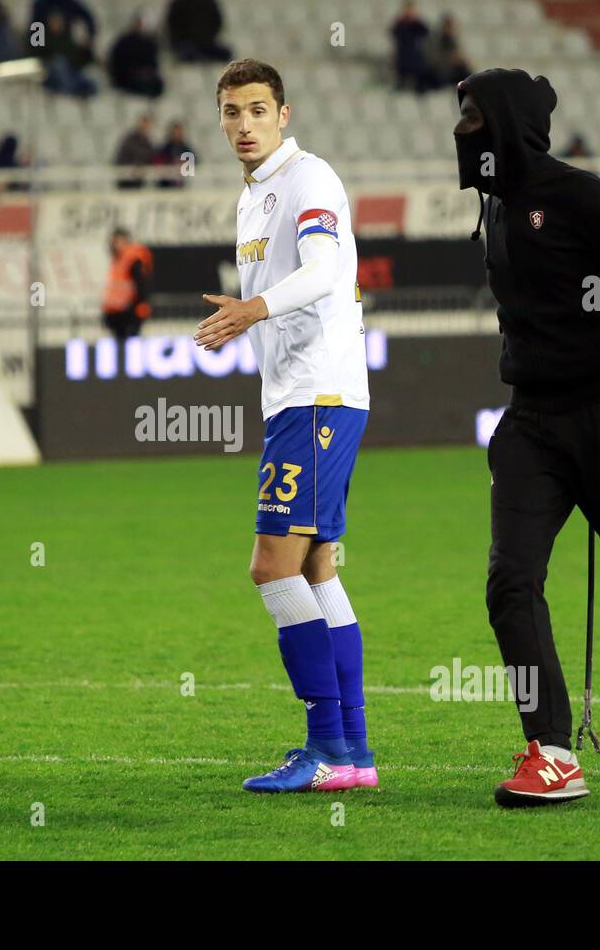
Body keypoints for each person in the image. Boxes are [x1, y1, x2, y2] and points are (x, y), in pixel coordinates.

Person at [453, 68, 600, 807]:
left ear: (508, 125)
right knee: (509, 582)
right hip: (531, 421)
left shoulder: (580, 196)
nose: (463, 132)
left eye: (472, 117)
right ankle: (551, 751)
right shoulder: (494, 211)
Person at [193, 59, 374, 794]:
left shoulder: (309, 181)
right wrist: (254, 313)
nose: (243, 125)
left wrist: (251, 310)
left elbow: (326, 269)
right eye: (232, 112)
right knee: (315, 565)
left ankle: (325, 744)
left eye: (257, 111)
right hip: (303, 398)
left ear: (284, 114)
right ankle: (353, 756)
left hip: (317, 397)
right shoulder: (255, 197)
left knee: (272, 565)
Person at [101, 228, 152, 339]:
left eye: (116, 241)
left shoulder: (133, 259)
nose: (113, 245)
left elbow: (141, 286)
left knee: (129, 344)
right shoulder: (119, 260)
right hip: (118, 313)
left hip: (128, 313)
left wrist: (138, 307)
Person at [108, 13, 163, 98]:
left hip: (145, 76)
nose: (139, 26)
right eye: (137, 24)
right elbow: (116, 62)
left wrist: (147, 72)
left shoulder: (149, 43)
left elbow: (153, 63)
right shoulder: (123, 42)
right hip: (127, 76)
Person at [165, 0, 230, 62]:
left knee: (226, 53)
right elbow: (173, 29)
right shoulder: (178, 3)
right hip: (185, 45)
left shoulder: (208, 3)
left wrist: (206, 39)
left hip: (206, 45)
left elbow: (217, 24)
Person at [391, 0, 431, 93]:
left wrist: (415, 20)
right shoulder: (400, 23)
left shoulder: (418, 24)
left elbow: (426, 33)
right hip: (402, 57)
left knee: (420, 84)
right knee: (401, 84)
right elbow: (394, 33)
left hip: (416, 57)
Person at [114, 114, 156, 189]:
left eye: (148, 125)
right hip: (127, 178)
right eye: (144, 124)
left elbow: (150, 157)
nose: (146, 127)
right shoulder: (130, 140)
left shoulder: (147, 142)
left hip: (139, 179)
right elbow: (123, 158)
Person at [155, 121, 195, 188]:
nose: (176, 134)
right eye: (175, 132)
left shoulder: (185, 148)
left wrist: (185, 163)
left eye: (179, 132)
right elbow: (158, 161)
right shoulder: (165, 148)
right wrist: (170, 163)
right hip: (166, 185)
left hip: (182, 185)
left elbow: (195, 160)